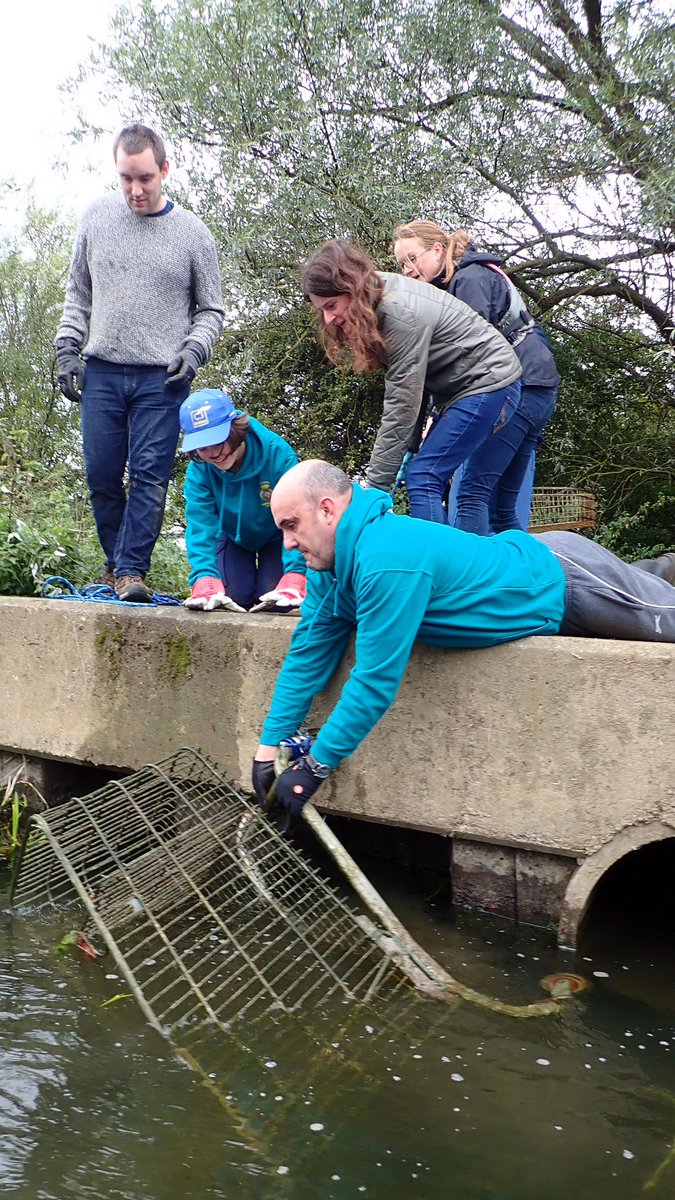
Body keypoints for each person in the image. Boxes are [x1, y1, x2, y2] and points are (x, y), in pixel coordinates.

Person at [251, 460, 675, 821]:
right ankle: (659, 569)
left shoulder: (388, 559)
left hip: (562, 577)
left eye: (291, 525)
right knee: (645, 587)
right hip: (531, 576)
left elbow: (374, 681)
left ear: (327, 510)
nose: (287, 543)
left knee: (664, 619)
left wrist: (314, 767)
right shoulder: (330, 572)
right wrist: (267, 750)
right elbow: (307, 654)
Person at [55, 123, 225, 604]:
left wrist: (193, 351)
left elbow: (211, 310)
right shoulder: (95, 218)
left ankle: (131, 572)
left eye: (145, 178)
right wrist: (67, 347)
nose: (135, 189)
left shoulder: (193, 234)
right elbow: (78, 293)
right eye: (126, 178)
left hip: (162, 377)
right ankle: (114, 565)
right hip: (102, 369)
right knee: (102, 474)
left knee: (150, 475)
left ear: (164, 170)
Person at [302, 239, 522, 529]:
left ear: (352, 288)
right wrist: (411, 443)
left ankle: (441, 570)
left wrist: (375, 490)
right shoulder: (377, 300)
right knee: (426, 473)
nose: (329, 319)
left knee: (425, 476)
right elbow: (411, 388)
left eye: (332, 305)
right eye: (322, 310)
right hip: (472, 388)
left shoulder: (397, 312)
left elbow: (402, 403)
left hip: (489, 384)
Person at [393, 221, 560, 534]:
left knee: (471, 494)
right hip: (540, 388)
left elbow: (470, 358)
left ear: (438, 250)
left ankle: (470, 581)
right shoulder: (471, 275)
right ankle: (526, 578)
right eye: (402, 264)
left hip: (518, 388)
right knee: (502, 509)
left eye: (413, 258)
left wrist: (439, 416)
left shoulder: (469, 279)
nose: (408, 269)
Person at [180, 389, 307, 612]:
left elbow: (298, 518)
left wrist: (296, 573)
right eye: (202, 447)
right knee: (231, 599)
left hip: (278, 536)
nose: (213, 454)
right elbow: (201, 524)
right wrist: (204, 576)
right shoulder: (199, 470)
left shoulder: (279, 456)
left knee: (277, 603)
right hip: (230, 536)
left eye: (217, 441)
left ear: (235, 429)